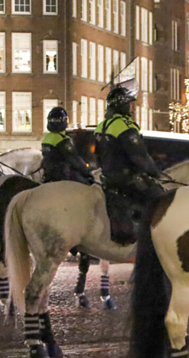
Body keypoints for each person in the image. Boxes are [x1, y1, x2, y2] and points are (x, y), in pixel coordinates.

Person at [94, 85, 164, 242]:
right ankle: (150, 238)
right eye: (130, 104)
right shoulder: (124, 127)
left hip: (107, 178)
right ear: (123, 105)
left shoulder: (102, 126)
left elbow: (97, 156)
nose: (133, 108)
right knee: (158, 197)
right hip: (126, 180)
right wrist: (155, 172)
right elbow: (140, 157)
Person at [41, 106, 94, 185]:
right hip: (64, 176)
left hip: (48, 175)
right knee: (88, 186)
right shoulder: (63, 140)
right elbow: (74, 160)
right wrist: (87, 172)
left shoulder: (47, 138)